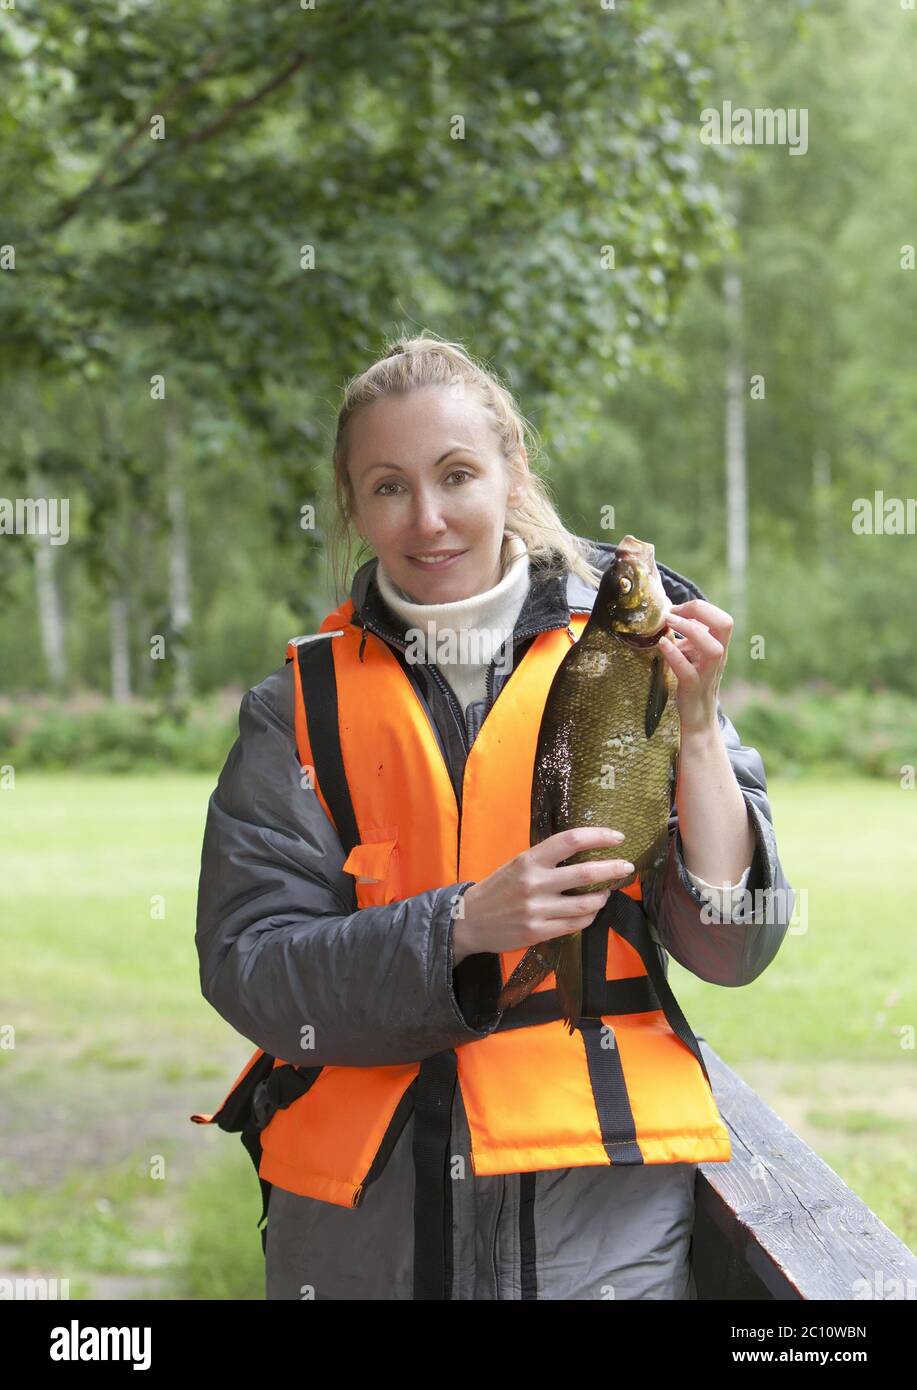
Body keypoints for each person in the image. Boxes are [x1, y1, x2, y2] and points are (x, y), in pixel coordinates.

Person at [193, 333, 794, 1300]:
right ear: (351, 506)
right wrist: (465, 925)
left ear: (512, 472)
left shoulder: (634, 648)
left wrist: (691, 729)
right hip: (359, 1230)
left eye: (457, 474)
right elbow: (249, 970)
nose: (427, 518)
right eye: (388, 487)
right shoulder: (294, 706)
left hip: (598, 1215)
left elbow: (733, 947)